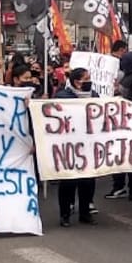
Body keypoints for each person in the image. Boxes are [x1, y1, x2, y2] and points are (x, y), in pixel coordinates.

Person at [105, 44, 132, 202]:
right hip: (131, 122)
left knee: (122, 155)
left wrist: (119, 93)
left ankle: (122, 187)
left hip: (128, 121)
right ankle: (131, 189)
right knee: (131, 156)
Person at [54, 67, 99, 227]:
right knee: (68, 182)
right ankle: (65, 214)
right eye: (85, 78)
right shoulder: (62, 96)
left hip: (88, 144)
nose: (88, 81)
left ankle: (85, 212)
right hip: (69, 145)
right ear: (76, 81)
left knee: (88, 181)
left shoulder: (94, 95)